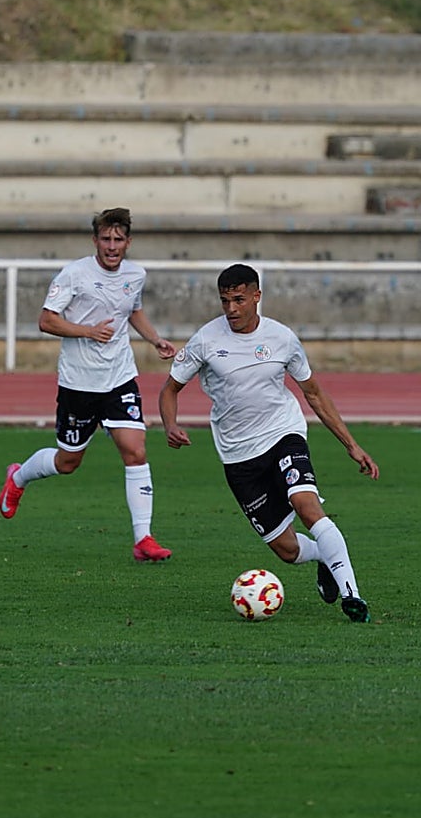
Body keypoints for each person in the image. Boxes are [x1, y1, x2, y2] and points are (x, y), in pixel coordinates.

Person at [159, 263, 379, 622]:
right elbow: (170, 390)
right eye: (225, 300)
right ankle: (323, 555)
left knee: (307, 505)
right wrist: (170, 424)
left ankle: (353, 595)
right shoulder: (206, 340)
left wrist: (351, 445)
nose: (231, 309)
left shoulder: (282, 338)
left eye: (239, 300)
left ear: (257, 296)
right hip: (238, 455)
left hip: (283, 434)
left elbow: (314, 394)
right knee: (287, 550)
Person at [0, 207, 177, 563]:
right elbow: (46, 320)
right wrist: (87, 331)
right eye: (106, 239)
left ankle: (144, 539)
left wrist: (155, 340)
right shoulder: (74, 274)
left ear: (128, 241)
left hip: (119, 377)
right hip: (78, 383)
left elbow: (133, 310)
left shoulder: (135, 274)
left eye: (119, 239)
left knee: (135, 450)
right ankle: (18, 477)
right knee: (68, 462)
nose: (112, 246)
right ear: (95, 240)